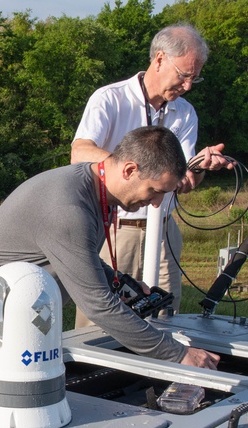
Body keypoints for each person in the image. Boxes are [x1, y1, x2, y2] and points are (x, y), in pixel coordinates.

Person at [0, 125, 220, 372]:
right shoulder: (68, 209)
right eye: (155, 191)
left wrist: (119, 282)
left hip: (13, 320)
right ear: (129, 169)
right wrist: (177, 354)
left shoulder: (93, 186)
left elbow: (77, 255)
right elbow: (98, 305)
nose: (156, 203)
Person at [71, 23, 230, 319]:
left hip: (164, 230)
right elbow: (80, 153)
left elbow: (185, 182)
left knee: (165, 315)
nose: (188, 86)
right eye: (184, 76)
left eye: (195, 78)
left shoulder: (185, 112)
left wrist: (199, 168)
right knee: (103, 319)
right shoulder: (110, 99)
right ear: (159, 59)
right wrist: (140, 170)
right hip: (116, 228)